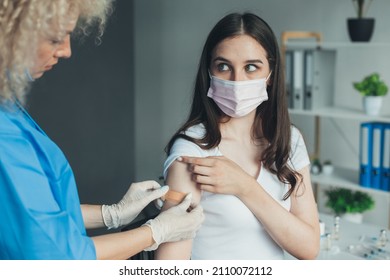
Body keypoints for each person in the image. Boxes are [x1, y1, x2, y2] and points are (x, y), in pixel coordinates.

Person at [0, 0, 204, 260]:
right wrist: (155, 232)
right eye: (54, 39)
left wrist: (110, 214)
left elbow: (27, 216)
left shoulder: (8, 106)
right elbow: (61, 258)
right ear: (10, 33)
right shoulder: (4, 134)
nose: (66, 51)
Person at [155, 12, 320, 260]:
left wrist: (246, 187)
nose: (237, 80)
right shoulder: (192, 151)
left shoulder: (289, 139)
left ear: (270, 75)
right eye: (223, 66)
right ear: (209, 72)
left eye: (251, 67)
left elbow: (309, 247)